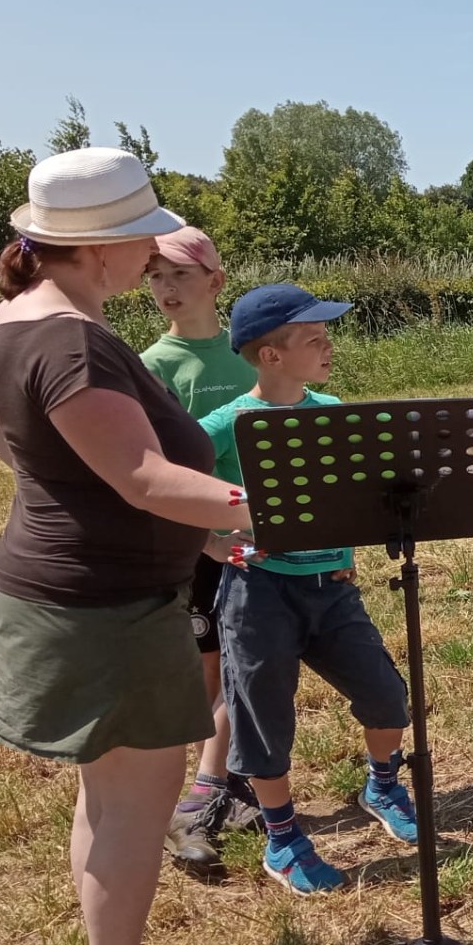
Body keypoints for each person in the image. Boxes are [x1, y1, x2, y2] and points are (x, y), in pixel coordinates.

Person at [0, 147, 247, 945]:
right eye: (140, 242)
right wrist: (269, 510)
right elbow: (142, 473)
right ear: (100, 249)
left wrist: (53, 487)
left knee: (110, 792)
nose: (149, 260)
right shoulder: (69, 337)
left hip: (89, 593)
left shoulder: (18, 316)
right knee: (134, 798)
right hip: (103, 604)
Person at [198, 284, 415, 894]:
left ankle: (382, 784)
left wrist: (352, 543)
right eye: (313, 339)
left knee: (387, 697)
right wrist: (214, 544)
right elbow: (157, 488)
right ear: (270, 356)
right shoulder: (227, 424)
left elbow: (351, 491)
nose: (328, 347)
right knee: (265, 721)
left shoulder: (331, 407)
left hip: (333, 589)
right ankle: (284, 837)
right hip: (258, 594)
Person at [139, 225, 264, 869]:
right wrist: (208, 537)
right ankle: (201, 798)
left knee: (256, 667)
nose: (165, 286)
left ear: (215, 281)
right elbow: (156, 468)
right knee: (210, 672)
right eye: (155, 275)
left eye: (180, 274)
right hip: (202, 545)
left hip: (265, 539)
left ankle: (240, 785)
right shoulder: (154, 366)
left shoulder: (251, 355)